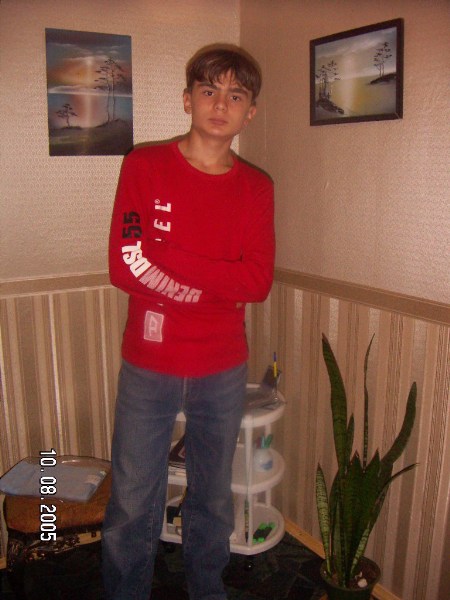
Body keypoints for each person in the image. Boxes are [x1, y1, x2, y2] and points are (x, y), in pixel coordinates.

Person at [102, 44, 275, 600]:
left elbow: (257, 283)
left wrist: (170, 257)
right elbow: (125, 265)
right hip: (148, 361)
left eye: (235, 95)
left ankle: (207, 589)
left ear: (250, 113)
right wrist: (213, 284)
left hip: (221, 366)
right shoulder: (144, 166)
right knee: (133, 497)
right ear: (187, 100)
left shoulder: (256, 188)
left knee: (213, 497)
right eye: (209, 90)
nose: (220, 104)